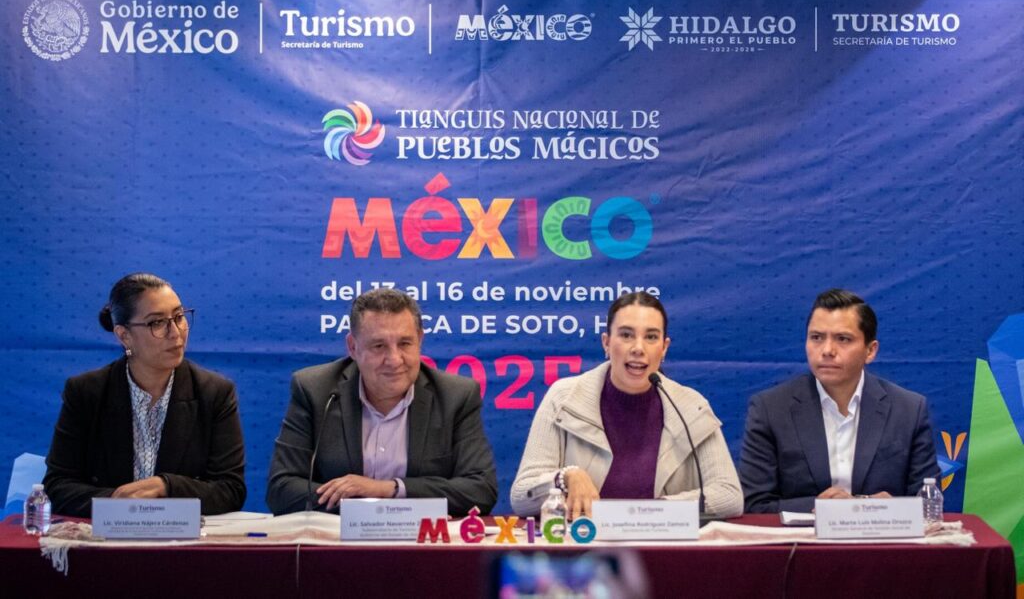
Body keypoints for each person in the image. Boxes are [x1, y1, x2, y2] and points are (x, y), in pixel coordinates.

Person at [510, 291, 743, 520]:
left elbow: (729, 495)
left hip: (663, 541)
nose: (638, 348)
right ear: (606, 343)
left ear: (664, 347)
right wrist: (566, 477)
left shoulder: (690, 406)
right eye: (626, 335)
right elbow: (521, 496)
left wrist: (652, 513)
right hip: (585, 542)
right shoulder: (564, 398)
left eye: (651, 337)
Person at [266, 288, 498, 516]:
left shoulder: (455, 396)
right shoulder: (315, 390)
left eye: (405, 343)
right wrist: (369, 510)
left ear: (420, 340)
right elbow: (282, 490)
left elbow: (480, 490)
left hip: (423, 539)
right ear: (353, 347)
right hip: (338, 539)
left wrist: (388, 489)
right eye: (379, 346)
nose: (394, 360)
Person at [43, 273, 247, 517]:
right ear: (124, 335)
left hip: (183, 536)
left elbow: (230, 489)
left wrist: (166, 486)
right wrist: (120, 503)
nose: (176, 333)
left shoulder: (214, 392)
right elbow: (57, 485)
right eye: (157, 323)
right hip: (107, 535)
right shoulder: (87, 392)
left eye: (179, 317)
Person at [739, 288, 940, 513]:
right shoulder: (770, 409)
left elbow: (927, 503)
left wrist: (863, 505)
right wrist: (822, 507)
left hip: (879, 534)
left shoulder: (908, 410)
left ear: (870, 351)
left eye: (843, 339)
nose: (827, 350)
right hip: (803, 535)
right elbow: (754, 504)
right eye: (816, 337)